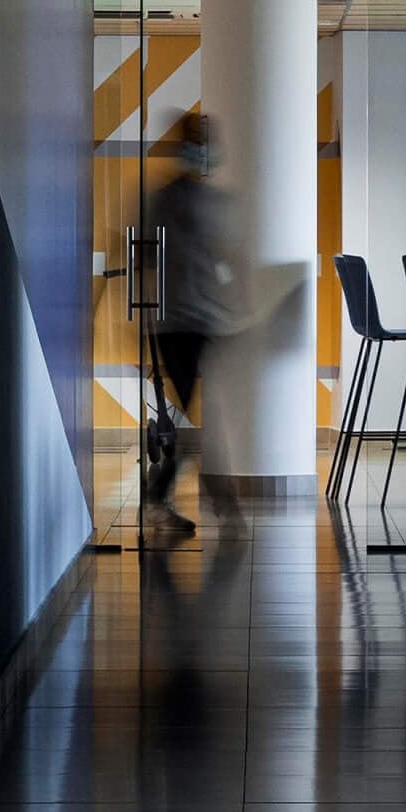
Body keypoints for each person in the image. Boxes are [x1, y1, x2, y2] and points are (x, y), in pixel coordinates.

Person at [142, 112, 240, 537]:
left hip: (203, 322)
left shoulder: (209, 201)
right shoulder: (166, 199)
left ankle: (193, 499)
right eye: (197, 142)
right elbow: (148, 256)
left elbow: (221, 256)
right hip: (177, 323)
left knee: (199, 419)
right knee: (191, 421)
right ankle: (164, 499)